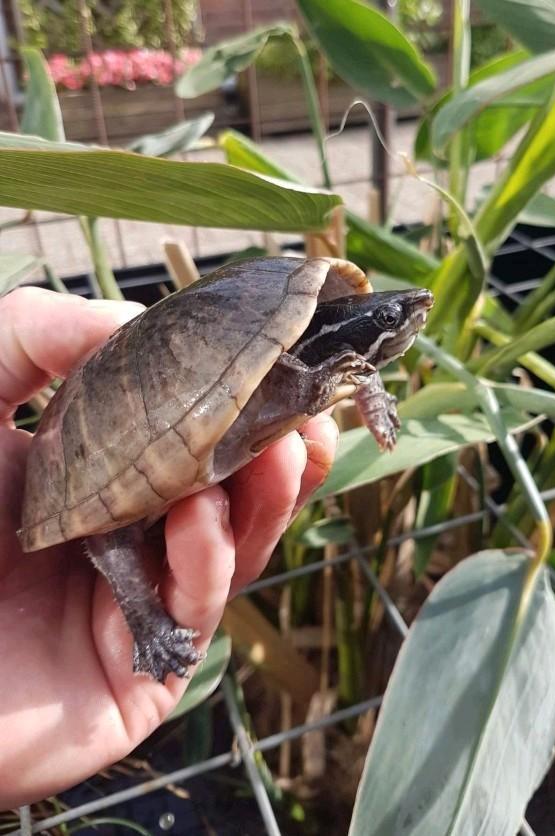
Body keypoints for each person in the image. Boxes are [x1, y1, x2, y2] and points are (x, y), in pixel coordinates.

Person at [0, 287, 338, 809]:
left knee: (190, 523)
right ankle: (147, 628)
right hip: (96, 469)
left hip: (146, 467)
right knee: (114, 532)